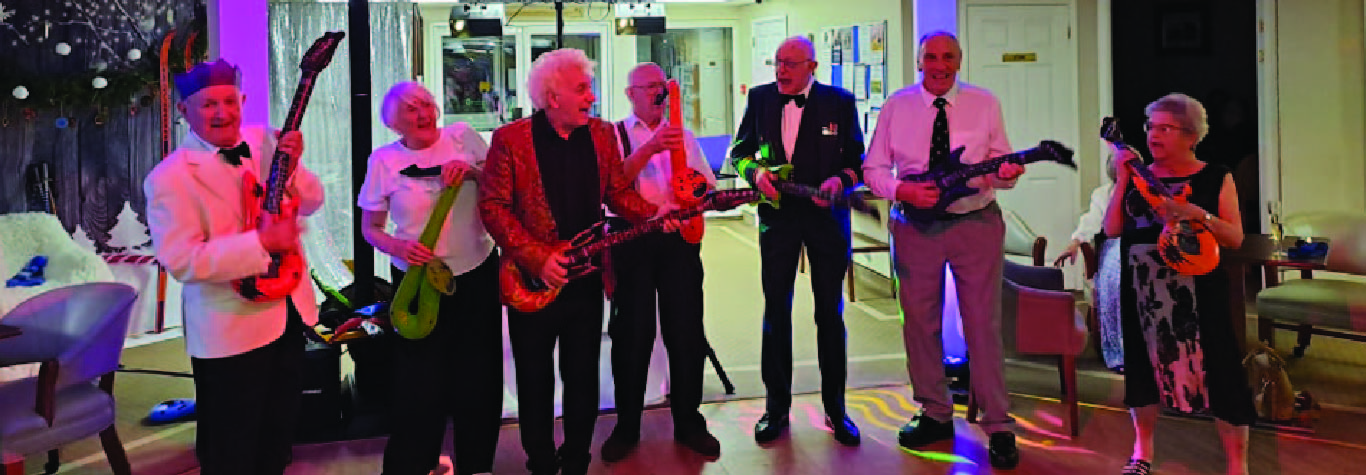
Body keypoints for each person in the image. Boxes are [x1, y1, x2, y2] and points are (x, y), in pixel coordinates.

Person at [477, 48, 669, 475]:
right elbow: (492, 207)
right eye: (582, 89)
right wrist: (537, 257)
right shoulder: (511, 139)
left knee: (583, 375)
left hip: (585, 277)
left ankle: (578, 458)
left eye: (590, 87)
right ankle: (541, 461)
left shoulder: (601, 135)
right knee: (534, 378)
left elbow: (617, 192)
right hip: (532, 281)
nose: (592, 97)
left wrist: (654, 213)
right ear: (552, 96)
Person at [144, 58, 324, 475]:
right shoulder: (169, 178)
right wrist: (260, 243)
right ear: (185, 111)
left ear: (242, 100)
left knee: (277, 435)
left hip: (286, 311)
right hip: (229, 327)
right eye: (208, 105)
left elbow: (312, 202)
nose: (222, 113)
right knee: (231, 445)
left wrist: (294, 169)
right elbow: (182, 260)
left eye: (229, 101)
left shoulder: (265, 142)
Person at [862, 31, 1023, 469]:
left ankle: (999, 424)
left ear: (959, 60)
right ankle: (935, 412)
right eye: (930, 57)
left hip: (976, 222)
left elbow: (1002, 166)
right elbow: (873, 167)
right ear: (919, 62)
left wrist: (1008, 173)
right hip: (914, 226)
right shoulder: (897, 105)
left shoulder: (984, 102)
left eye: (947, 57)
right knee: (919, 322)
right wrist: (902, 190)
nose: (939, 65)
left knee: (983, 324)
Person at [357, 81, 502, 475]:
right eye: (409, 110)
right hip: (416, 281)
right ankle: (413, 465)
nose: (421, 114)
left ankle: (477, 464)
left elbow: (501, 188)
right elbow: (372, 228)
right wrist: (399, 248)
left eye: (425, 104)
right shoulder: (383, 160)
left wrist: (472, 173)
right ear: (393, 122)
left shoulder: (463, 138)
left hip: (474, 273)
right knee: (418, 382)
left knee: (478, 376)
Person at [1103, 93, 1252, 475]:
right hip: (1144, 288)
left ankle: (1237, 465)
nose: (1154, 134)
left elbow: (1234, 237)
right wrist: (1122, 179)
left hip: (1199, 289)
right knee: (1142, 370)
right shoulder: (1137, 176)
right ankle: (1142, 452)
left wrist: (1196, 214)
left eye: (1165, 128)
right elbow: (1113, 229)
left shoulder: (1214, 176)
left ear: (1190, 135)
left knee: (1221, 373)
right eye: (1151, 126)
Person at [729, 35, 865, 447]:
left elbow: (856, 161)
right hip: (778, 218)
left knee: (829, 312)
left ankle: (836, 409)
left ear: (812, 66)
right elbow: (739, 152)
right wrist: (755, 173)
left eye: (789, 63)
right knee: (777, 312)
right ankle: (776, 407)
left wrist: (839, 181)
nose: (781, 71)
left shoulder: (840, 101)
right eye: (777, 63)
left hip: (826, 221)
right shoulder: (760, 99)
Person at [599, 62, 721, 462]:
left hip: (678, 241)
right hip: (631, 241)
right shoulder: (615, 134)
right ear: (630, 93)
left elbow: (706, 183)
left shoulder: (683, 134)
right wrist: (650, 147)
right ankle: (627, 425)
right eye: (648, 88)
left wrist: (694, 191)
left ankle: (689, 421)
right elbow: (611, 186)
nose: (657, 95)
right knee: (631, 336)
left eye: (661, 87)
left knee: (686, 332)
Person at [1054, 155, 1124, 372]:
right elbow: (1091, 221)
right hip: (1116, 248)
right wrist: (1075, 242)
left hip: (1145, 246)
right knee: (1117, 279)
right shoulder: (1103, 194)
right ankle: (1120, 353)